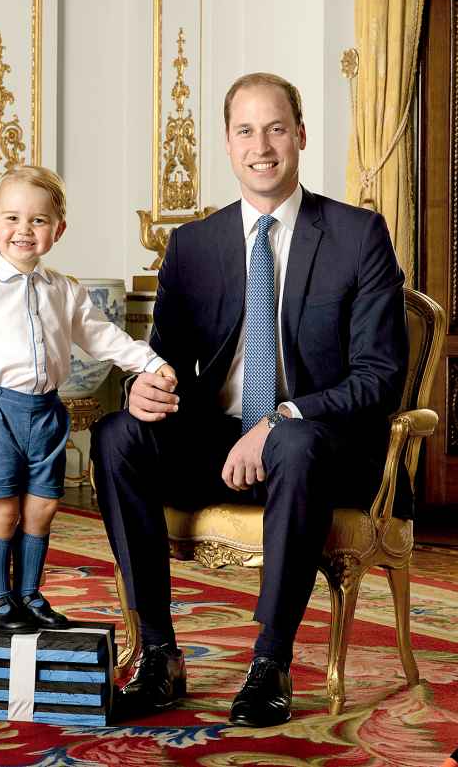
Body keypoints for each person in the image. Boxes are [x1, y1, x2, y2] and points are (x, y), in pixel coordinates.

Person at [92, 72, 408, 727]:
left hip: (319, 447)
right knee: (118, 433)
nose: (260, 145)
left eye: (274, 128)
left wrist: (282, 416)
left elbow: (379, 375)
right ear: (227, 144)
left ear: (299, 135)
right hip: (217, 442)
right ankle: (158, 654)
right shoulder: (193, 245)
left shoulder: (357, 235)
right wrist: (143, 387)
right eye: (245, 130)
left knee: (293, 439)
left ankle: (271, 662)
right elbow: (168, 365)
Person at [0, 165, 175, 633]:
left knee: (41, 507)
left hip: (45, 412)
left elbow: (101, 336)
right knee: (1, 510)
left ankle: (29, 594)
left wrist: (147, 362)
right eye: (12, 218)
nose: (24, 230)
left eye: (38, 221)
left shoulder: (62, 289)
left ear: (57, 230)